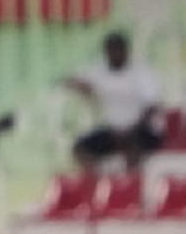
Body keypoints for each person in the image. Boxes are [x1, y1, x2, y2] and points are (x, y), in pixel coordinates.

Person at [66, 31, 162, 175]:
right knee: (79, 148)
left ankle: (130, 186)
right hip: (112, 130)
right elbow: (80, 82)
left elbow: (152, 108)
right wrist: (78, 86)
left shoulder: (142, 72)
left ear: (126, 50)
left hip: (141, 129)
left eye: (118, 49)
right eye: (111, 49)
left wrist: (130, 129)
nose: (115, 53)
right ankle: (101, 185)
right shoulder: (100, 70)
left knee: (132, 149)